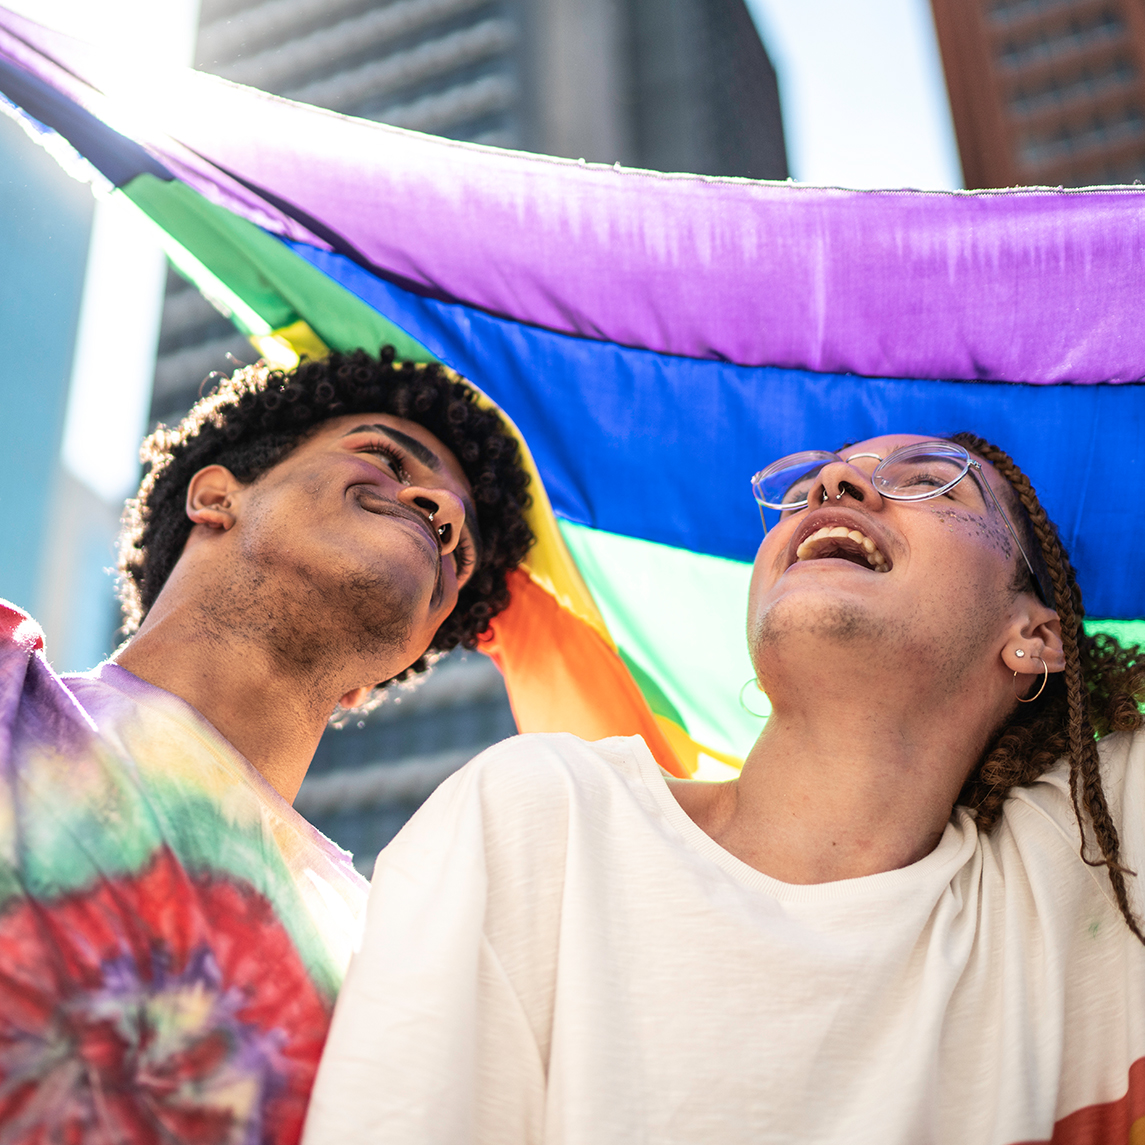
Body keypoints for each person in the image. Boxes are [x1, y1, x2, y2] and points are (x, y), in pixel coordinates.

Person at [304, 432, 1145, 1145]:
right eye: (814, 482)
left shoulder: (1087, 866)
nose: (832, 484)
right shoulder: (546, 817)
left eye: (926, 482)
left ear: (1034, 636)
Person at [0, 347, 533, 1143]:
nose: (442, 515)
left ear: (383, 672)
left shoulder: (393, 972)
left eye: (456, 557)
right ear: (217, 497)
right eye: (385, 456)